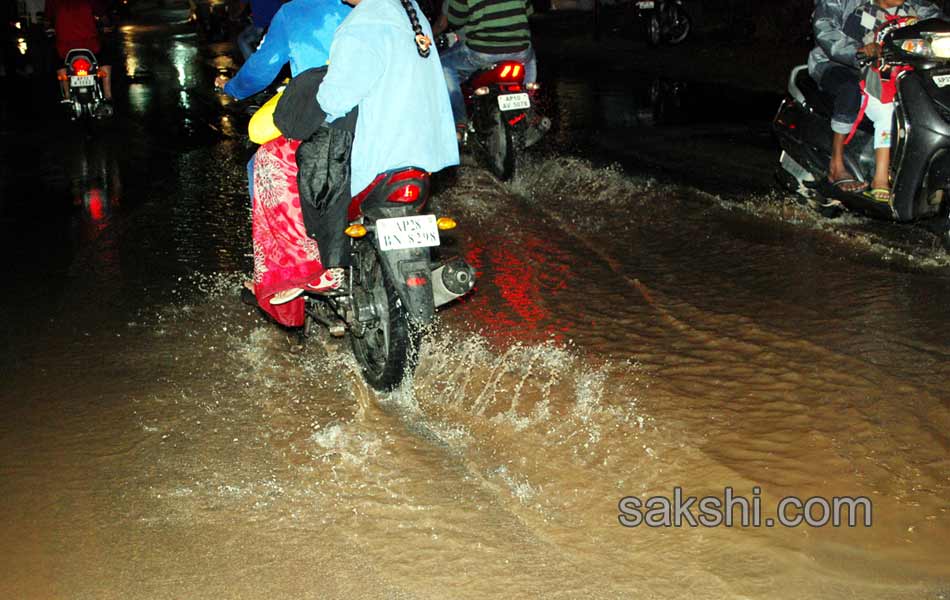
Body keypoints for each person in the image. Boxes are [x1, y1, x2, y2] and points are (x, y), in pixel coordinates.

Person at [214, 0, 351, 325]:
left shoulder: (296, 12)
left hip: (322, 117)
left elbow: (262, 68)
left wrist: (231, 88)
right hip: (388, 119)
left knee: (263, 164)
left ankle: (287, 269)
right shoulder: (393, 10)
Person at [316, 0, 459, 198]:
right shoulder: (410, 11)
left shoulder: (361, 24)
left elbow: (335, 102)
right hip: (427, 154)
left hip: (381, 160)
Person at [841, 0, 943, 203]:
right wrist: (864, 49)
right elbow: (847, 46)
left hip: (909, 81)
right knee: (888, 114)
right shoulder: (862, 14)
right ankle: (880, 180)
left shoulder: (912, 13)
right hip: (874, 84)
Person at [438, 0, 536, 138]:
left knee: (442, 64)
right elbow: (528, 11)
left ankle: (459, 121)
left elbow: (456, 19)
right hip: (519, 50)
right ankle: (530, 106)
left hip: (482, 51)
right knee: (529, 55)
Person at [45, 0, 113, 107]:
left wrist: (49, 28)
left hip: (65, 48)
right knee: (106, 56)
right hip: (91, 46)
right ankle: (108, 94)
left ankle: (67, 95)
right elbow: (103, 16)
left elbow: (48, 20)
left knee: (58, 60)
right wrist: (107, 25)